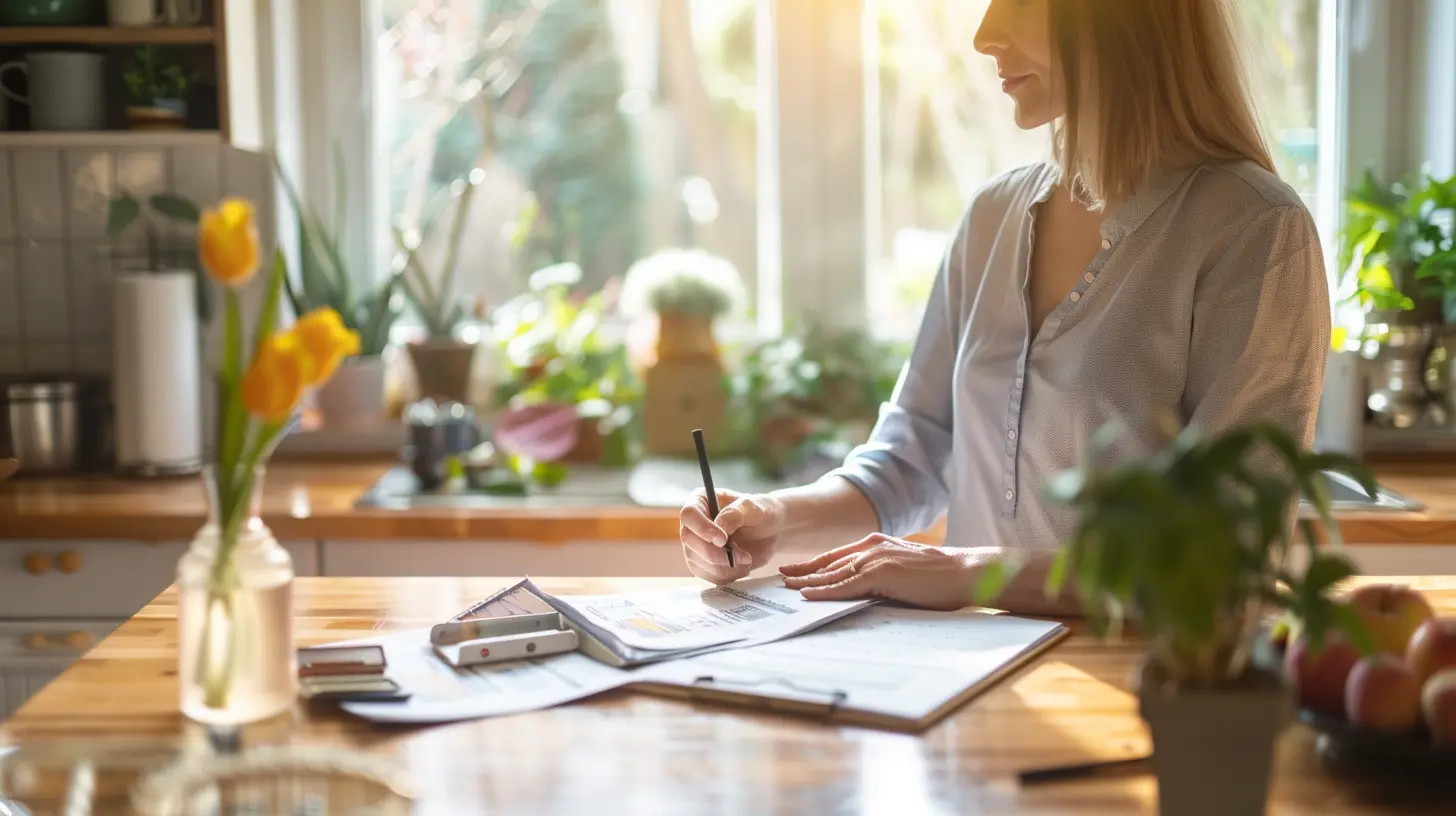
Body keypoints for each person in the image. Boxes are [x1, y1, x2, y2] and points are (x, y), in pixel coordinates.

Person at [678, 0, 1331, 615]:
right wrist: (778, 520)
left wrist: (970, 572)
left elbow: (1225, 558)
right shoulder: (994, 215)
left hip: (1143, 692)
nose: (985, 35)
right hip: (967, 686)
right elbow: (915, 455)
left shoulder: (1255, 231)